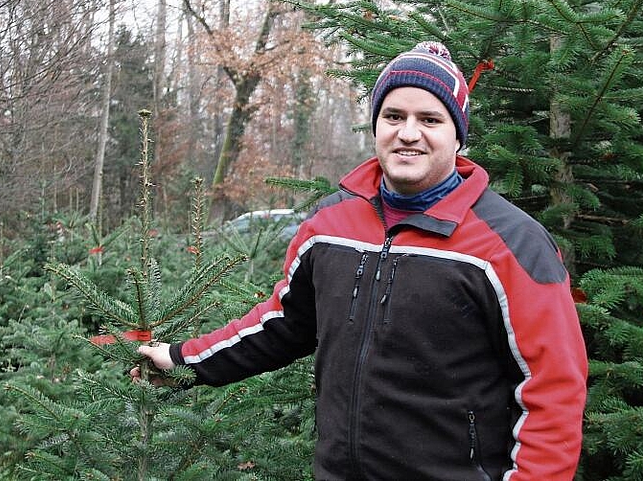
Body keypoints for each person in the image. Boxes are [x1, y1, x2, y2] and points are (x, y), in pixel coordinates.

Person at [133, 41, 588, 481]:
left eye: (430, 118)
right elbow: (283, 323)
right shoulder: (330, 223)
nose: (408, 133)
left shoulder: (511, 243)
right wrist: (181, 359)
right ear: (376, 125)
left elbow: (553, 388)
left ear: (458, 135)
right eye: (394, 116)